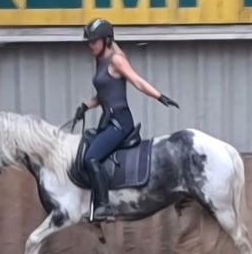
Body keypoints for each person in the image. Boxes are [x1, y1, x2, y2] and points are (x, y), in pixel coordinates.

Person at [72, 18, 179, 222]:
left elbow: (136, 81)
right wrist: (85, 105)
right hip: (107, 120)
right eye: (90, 41)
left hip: (120, 123)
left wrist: (159, 96)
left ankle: (104, 207)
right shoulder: (100, 60)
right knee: (86, 148)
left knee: (91, 158)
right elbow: (104, 94)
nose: (90, 45)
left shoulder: (116, 60)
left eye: (94, 41)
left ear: (106, 40)